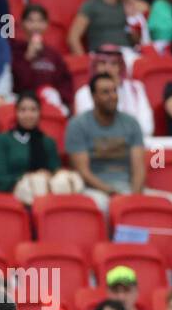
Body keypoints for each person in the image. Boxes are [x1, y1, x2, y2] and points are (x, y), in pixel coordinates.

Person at [65, 74, 163, 217]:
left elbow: (139, 167)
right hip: (94, 189)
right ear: (94, 97)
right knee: (103, 206)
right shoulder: (78, 125)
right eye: (105, 92)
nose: (112, 96)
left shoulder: (131, 123)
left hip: (128, 187)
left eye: (114, 91)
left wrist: (135, 197)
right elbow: (83, 172)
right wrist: (111, 192)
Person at [0, 92, 75, 204]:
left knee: (69, 179)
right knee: (38, 183)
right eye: (23, 110)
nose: (28, 115)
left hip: (47, 189)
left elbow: (55, 170)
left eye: (33, 110)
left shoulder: (47, 141)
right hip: (16, 190)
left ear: (39, 113)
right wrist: (27, 177)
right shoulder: (3, 139)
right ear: (16, 113)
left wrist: (50, 175)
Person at [74, 44, 155, 137]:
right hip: (99, 148)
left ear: (120, 67)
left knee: (158, 150)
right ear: (95, 66)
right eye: (103, 63)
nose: (108, 69)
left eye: (113, 64)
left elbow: (147, 127)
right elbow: (88, 129)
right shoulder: (83, 93)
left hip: (135, 145)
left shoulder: (136, 89)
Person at [11, 4, 73, 111]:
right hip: (24, 106)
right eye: (31, 21)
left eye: (40, 21)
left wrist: (53, 94)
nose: (36, 26)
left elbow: (65, 85)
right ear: (22, 24)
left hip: (51, 104)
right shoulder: (15, 51)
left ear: (47, 25)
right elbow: (16, 84)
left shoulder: (54, 55)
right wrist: (27, 58)